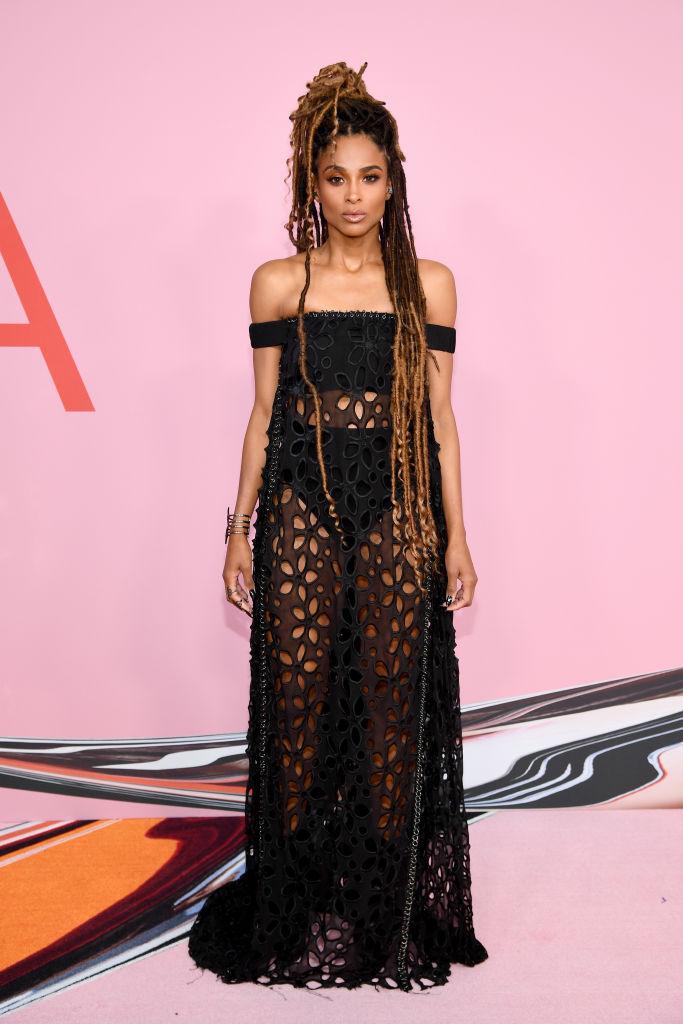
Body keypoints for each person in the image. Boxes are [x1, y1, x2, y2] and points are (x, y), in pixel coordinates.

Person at [188, 60, 488, 993]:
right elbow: (262, 415)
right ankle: (289, 900)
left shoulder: (429, 285)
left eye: (369, 176)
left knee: (391, 704)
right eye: (334, 177)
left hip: (396, 503)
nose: (352, 195)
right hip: (298, 505)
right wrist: (236, 529)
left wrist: (458, 536)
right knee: (297, 703)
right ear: (309, 185)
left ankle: (381, 907)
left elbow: (438, 420)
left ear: (392, 182)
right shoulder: (278, 283)